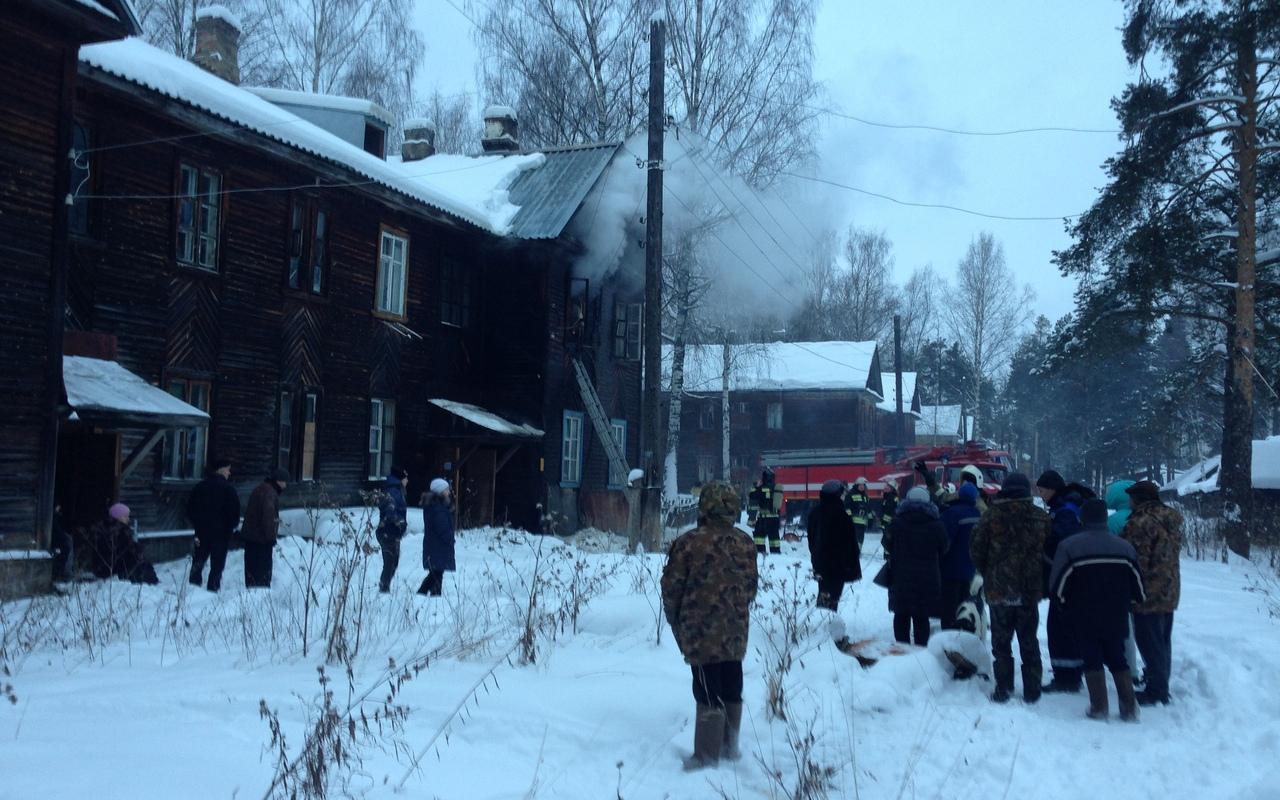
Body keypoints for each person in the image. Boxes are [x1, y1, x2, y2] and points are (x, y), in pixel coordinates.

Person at [661, 481, 759, 770]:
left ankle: (705, 758)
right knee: (732, 685)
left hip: (700, 633)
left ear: (705, 506)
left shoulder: (689, 542)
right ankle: (729, 748)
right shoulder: (745, 542)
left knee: (706, 691)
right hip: (735, 631)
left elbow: (671, 588)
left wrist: (677, 620)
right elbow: (751, 588)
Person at [1049, 498, 1145, 721]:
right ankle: (1129, 707)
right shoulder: (1125, 548)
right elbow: (1138, 586)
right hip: (1116, 614)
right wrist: (1132, 602)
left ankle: (1099, 706)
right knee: (1117, 656)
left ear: (1082, 518)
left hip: (1083, 614)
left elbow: (1058, 585)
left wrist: (1063, 605)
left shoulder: (1069, 546)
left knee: (1091, 657)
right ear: (1105, 518)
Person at [970, 473, 1050, 704]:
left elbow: (976, 550)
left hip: (998, 589)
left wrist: (989, 572)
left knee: (1001, 643)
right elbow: (1049, 550)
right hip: (1028, 590)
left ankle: (1003, 689)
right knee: (1029, 640)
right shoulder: (1040, 517)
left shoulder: (990, 516)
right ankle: (1033, 690)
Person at [1121, 480, 1183, 706]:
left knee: (1149, 640)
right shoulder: (1171, 518)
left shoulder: (1140, 523)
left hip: (1146, 591)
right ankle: (1159, 679)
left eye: (1131, 498)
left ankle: (1157, 689)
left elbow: (1134, 559)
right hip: (1170, 588)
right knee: (1163, 639)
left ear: (1137, 499)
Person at [1036, 469, 1085, 694]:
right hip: (1071, 579)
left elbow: (1062, 545)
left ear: (1053, 489)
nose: (1040, 493)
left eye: (1042, 489)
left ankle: (1067, 678)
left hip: (1067, 579)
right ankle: (1070, 674)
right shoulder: (1066, 507)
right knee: (1065, 627)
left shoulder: (1064, 512)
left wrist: (1043, 548)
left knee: (1060, 628)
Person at [882, 486, 948, 646]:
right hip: (927, 578)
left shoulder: (897, 523)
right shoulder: (936, 525)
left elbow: (886, 542)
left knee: (901, 614)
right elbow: (945, 547)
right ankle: (920, 650)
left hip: (901, 576)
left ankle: (902, 649)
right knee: (921, 616)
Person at [187, 457, 241, 592]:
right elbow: (234, 513)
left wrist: (197, 524)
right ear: (222, 469)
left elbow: (190, 509)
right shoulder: (229, 490)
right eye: (228, 470)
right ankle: (213, 589)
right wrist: (231, 527)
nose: (230, 473)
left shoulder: (200, 487)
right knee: (217, 564)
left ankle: (193, 588)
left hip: (201, 532)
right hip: (221, 534)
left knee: (198, 560)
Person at [807, 479, 861, 611]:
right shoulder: (841, 515)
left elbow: (811, 538)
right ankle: (827, 622)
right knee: (833, 595)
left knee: (824, 592)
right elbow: (850, 544)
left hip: (819, 561)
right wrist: (851, 564)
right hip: (837, 565)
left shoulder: (815, 513)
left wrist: (815, 555)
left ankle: (823, 621)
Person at [939, 482, 981, 630]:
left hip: (950, 568)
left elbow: (944, 541)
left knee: (948, 607)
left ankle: (949, 637)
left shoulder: (951, 513)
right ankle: (962, 634)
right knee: (963, 605)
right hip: (969, 568)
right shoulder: (978, 514)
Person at [88, 503, 159, 584]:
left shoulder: (104, 528)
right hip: (113, 568)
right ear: (117, 517)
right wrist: (138, 550)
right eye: (125, 516)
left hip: (102, 568)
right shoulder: (118, 530)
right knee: (142, 566)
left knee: (142, 564)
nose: (128, 519)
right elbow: (125, 550)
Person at [242, 469, 287, 588]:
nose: (285, 486)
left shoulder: (260, 489)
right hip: (261, 539)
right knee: (262, 572)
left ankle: (250, 594)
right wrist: (271, 537)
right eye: (285, 482)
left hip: (251, 537)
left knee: (251, 570)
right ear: (279, 481)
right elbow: (268, 516)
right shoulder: (270, 493)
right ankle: (261, 595)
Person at [419, 478, 455, 596]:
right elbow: (442, 527)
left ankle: (435, 594)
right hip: (438, 545)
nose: (449, 492)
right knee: (436, 572)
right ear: (440, 491)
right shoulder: (437, 508)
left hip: (435, 545)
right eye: (446, 490)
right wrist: (450, 538)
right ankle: (422, 593)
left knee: (437, 572)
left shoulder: (435, 505)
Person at [376, 467, 409, 593]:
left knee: (393, 561)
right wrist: (398, 522)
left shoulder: (396, 490)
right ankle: (384, 588)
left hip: (392, 532)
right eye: (406, 478)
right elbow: (390, 510)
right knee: (390, 562)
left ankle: (384, 586)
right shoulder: (394, 491)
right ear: (401, 479)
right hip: (388, 531)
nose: (407, 481)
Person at [747, 467, 783, 555]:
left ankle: (760, 553)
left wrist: (757, 486)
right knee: (774, 538)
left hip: (763, 518)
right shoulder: (776, 488)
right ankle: (776, 554)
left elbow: (752, 496)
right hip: (774, 518)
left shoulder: (761, 488)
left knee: (759, 537)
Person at [845, 477, 871, 547]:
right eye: (861, 485)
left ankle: (857, 553)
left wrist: (870, 519)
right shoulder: (850, 494)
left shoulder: (865, 496)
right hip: (853, 523)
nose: (862, 487)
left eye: (863, 485)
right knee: (855, 540)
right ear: (857, 485)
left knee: (860, 540)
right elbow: (847, 507)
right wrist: (849, 518)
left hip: (862, 523)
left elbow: (868, 508)